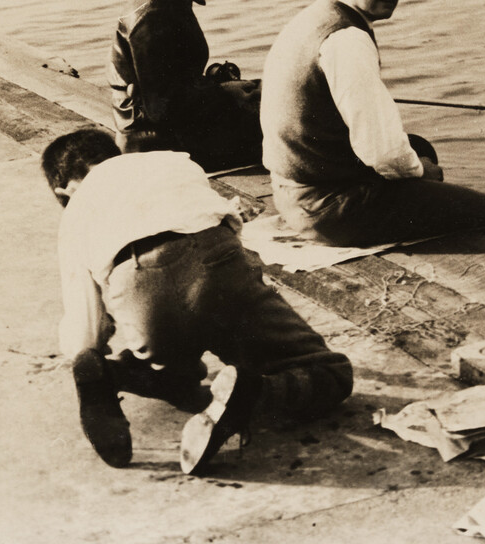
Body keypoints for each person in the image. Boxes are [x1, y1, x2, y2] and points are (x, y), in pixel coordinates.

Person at [44, 127, 353, 474]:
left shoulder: (76, 212)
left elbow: (84, 336)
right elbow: (227, 232)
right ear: (116, 154)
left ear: (63, 190)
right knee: (331, 373)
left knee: (174, 361)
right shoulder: (171, 162)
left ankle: (111, 376)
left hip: (138, 285)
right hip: (216, 263)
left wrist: (91, 353)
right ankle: (254, 392)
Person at [259, 0, 485, 251]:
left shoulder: (314, 17)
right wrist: (422, 174)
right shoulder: (347, 39)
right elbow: (383, 153)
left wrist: (416, 164)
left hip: (291, 192)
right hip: (329, 213)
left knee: (419, 149)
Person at [107, 0, 262, 172]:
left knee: (266, 95)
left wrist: (219, 84)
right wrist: (224, 92)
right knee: (283, 126)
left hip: (168, 131)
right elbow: (160, 108)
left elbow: (174, 83)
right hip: (153, 143)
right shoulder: (154, 14)